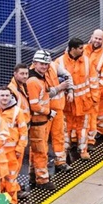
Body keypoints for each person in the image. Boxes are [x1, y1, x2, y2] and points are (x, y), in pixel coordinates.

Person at [25, 49, 68, 186]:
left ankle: (34, 175)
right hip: (38, 121)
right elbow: (35, 105)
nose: (44, 67)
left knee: (38, 150)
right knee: (40, 151)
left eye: (46, 64)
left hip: (40, 121)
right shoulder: (33, 81)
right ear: (34, 63)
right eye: (41, 64)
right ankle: (42, 180)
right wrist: (48, 112)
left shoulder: (39, 76)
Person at [55, 38, 93, 160]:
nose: (83, 50)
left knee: (83, 128)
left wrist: (94, 98)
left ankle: (83, 150)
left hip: (83, 102)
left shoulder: (87, 61)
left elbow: (94, 81)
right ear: (73, 49)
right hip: (67, 103)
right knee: (65, 128)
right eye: (81, 48)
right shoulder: (59, 63)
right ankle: (64, 149)